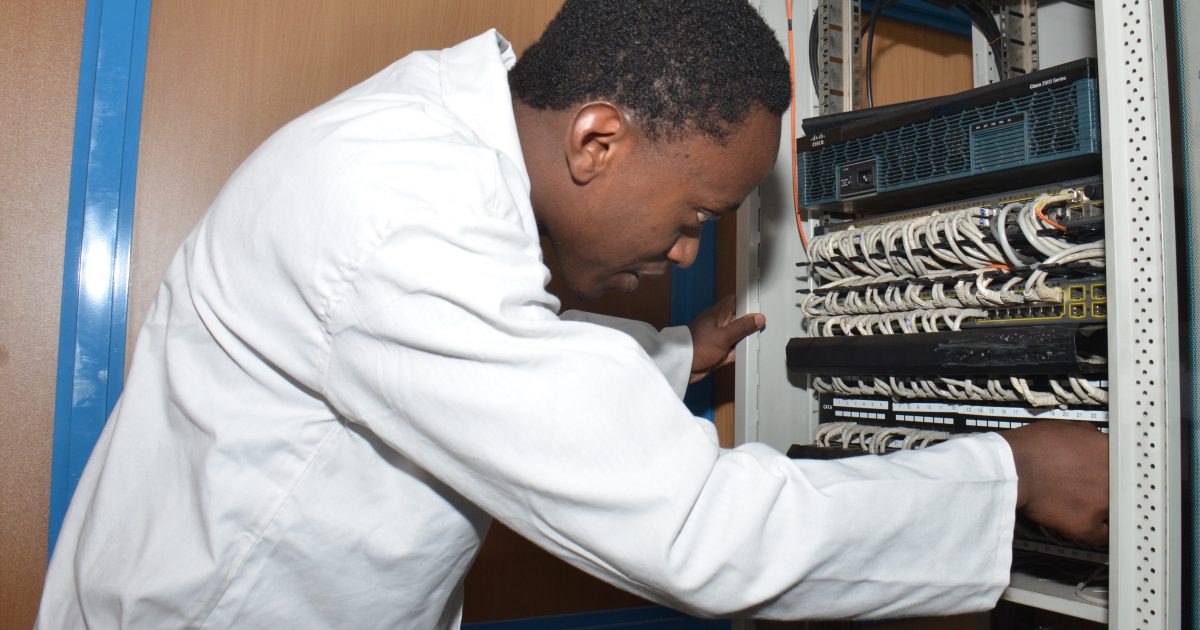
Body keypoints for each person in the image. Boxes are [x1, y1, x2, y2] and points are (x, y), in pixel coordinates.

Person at [37, 1, 1108, 628]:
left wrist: (672, 353)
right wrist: (1008, 473)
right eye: (695, 215)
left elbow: (490, 361)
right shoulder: (397, 212)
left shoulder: (431, 151)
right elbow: (694, 531)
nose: (685, 250)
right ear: (598, 141)